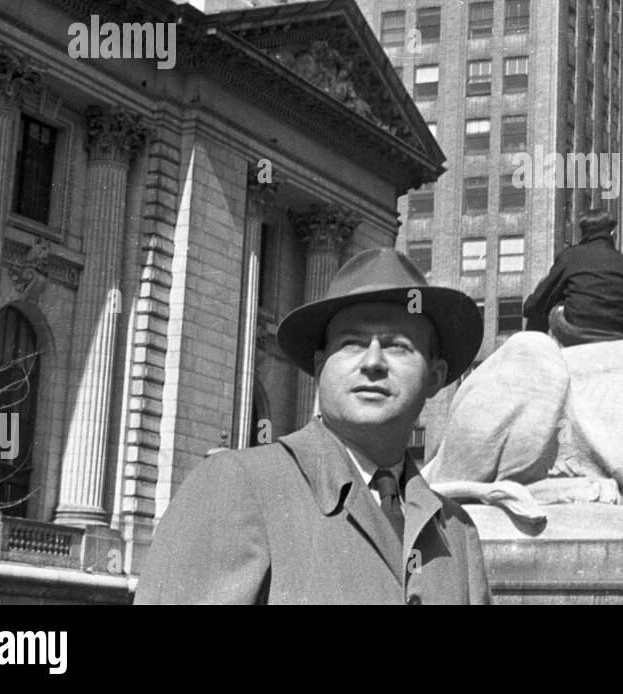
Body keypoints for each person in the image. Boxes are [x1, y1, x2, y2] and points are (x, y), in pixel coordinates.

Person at [135, 248, 491, 605]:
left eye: (397, 346)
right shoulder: (238, 485)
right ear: (321, 367)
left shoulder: (457, 532)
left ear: (435, 376)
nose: (373, 362)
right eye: (351, 343)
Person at [523, 208, 623, 347]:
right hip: (615, 335)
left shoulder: (570, 256)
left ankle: (531, 352)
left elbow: (541, 297)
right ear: (612, 233)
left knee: (545, 296)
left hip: (576, 332)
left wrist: (529, 308)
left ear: (584, 234)